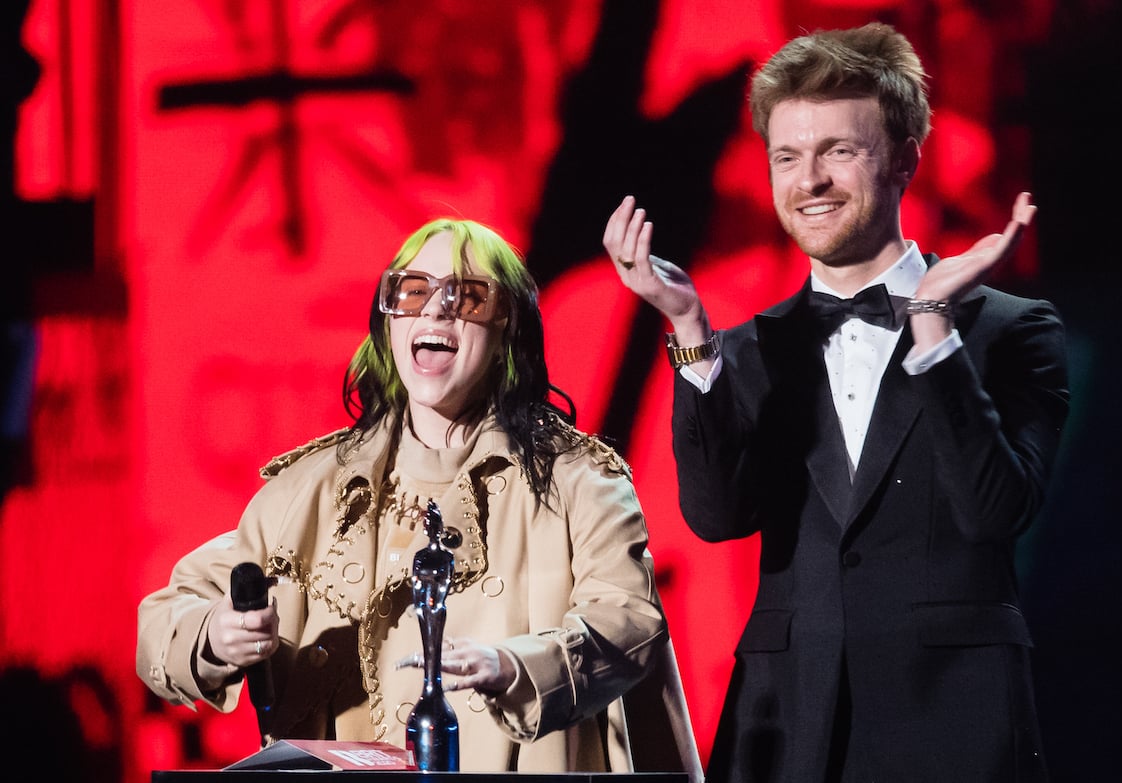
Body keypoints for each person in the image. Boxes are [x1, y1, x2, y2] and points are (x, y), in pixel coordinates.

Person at [603, 22, 1069, 783]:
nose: (808, 180)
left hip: (955, 721)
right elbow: (719, 517)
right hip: (786, 721)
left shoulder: (1013, 331)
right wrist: (690, 330)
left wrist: (933, 332)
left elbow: (995, 511)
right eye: (787, 156)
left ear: (904, 160)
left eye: (838, 152)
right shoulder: (750, 346)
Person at [136, 218, 702, 780]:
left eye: (467, 297)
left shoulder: (578, 481)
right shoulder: (314, 488)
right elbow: (165, 618)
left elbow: (629, 623)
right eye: (412, 292)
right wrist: (215, 632)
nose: (435, 310)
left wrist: (514, 666)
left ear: (509, 328)